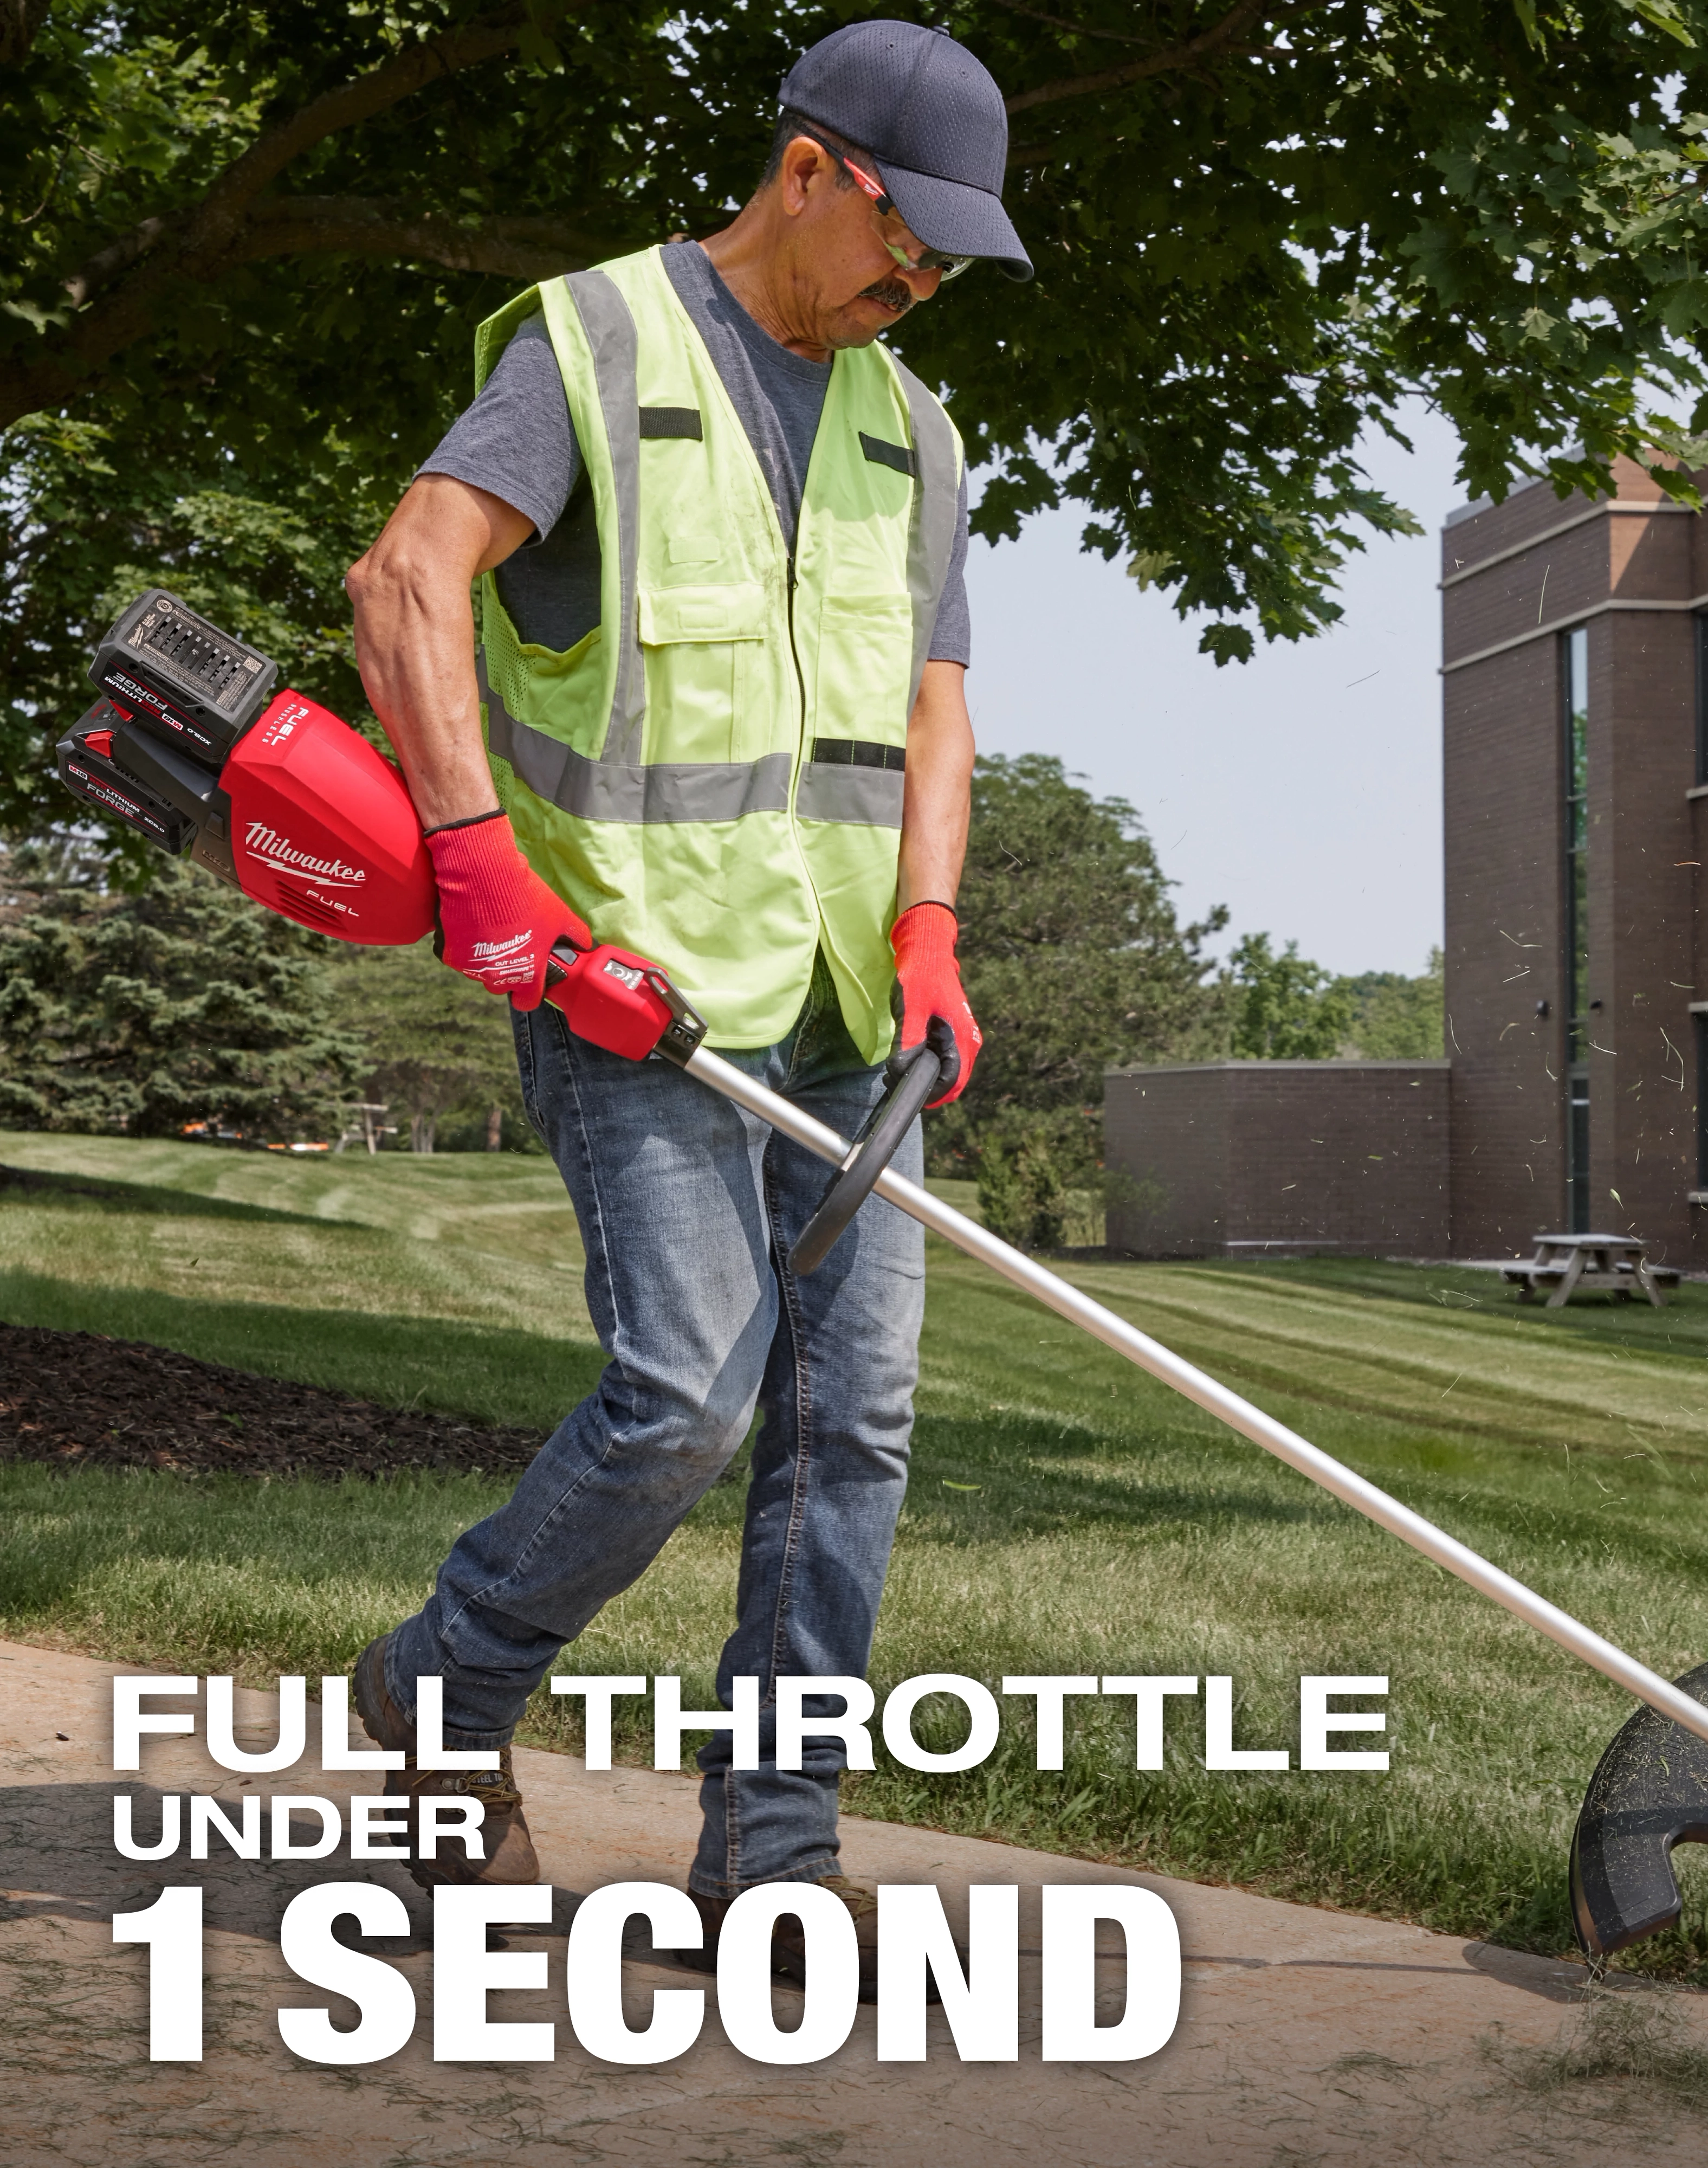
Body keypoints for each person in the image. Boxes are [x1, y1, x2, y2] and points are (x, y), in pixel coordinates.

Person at [340, 19, 1030, 1990]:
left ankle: (774, 1865)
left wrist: (931, 923)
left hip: (843, 1000)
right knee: (685, 1398)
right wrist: (474, 857)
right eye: (909, 237)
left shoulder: (917, 428)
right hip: (629, 975)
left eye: (954, 260)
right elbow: (410, 579)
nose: (924, 283)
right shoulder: (591, 345)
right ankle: (438, 1690)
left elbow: (934, 705)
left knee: (855, 1431)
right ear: (809, 172)